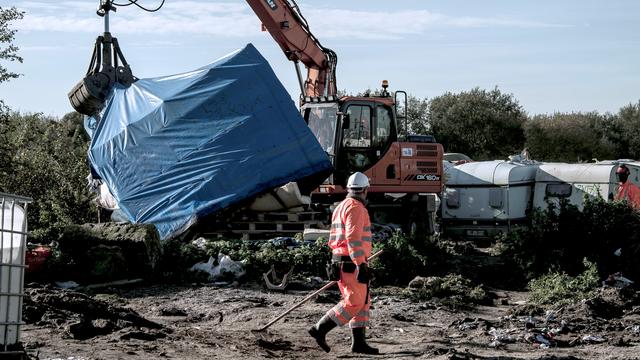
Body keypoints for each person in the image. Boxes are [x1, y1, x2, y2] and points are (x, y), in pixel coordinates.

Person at [308, 172, 378, 355]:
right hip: (351, 261)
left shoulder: (341, 206)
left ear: (349, 189)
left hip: (342, 260)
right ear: (364, 190)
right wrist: (360, 264)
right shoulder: (356, 208)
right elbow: (353, 239)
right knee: (354, 301)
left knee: (363, 302)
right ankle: (320, 329)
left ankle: (359, 343)